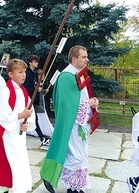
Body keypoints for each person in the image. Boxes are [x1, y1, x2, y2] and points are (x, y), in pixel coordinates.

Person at [40, 45, 99, 193]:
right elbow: (67, 104)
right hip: (72, 123)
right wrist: (87, 103)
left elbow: (81, 97)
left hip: (82, 122)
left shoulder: (80, 74)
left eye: (86, 56)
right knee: (76, 156)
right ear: (74, 58)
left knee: (81, 154)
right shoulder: (67, 76)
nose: (87, 59)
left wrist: (93, 102)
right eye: (84, 57)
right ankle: (71, 187)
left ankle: (77, 186)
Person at [0, 58, 36, 193]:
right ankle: (8, 188)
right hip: (8, 132)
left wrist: (27, 123)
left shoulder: (23, 91)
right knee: (11, 161)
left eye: (24, 72)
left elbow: (29, 110)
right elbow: (3, 114)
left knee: (20, 160)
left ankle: (18, 188)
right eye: (20, 72)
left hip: (19, 132)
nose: (24, 75)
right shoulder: (5, 92)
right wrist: (20, 116)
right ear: (11, 74)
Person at [23, 54, 51, 145]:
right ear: (30, 62)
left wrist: (39, 88)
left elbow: (35, 84)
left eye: (37, 62)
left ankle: (42, 136)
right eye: (35, 62)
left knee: (33, 118)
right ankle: (42, 136)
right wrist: (36, 89)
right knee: (33, 118)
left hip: (33, 98)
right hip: (27, 98)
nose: (37, 63)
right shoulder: (26, 73)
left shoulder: (34, 73)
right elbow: (26, 87)